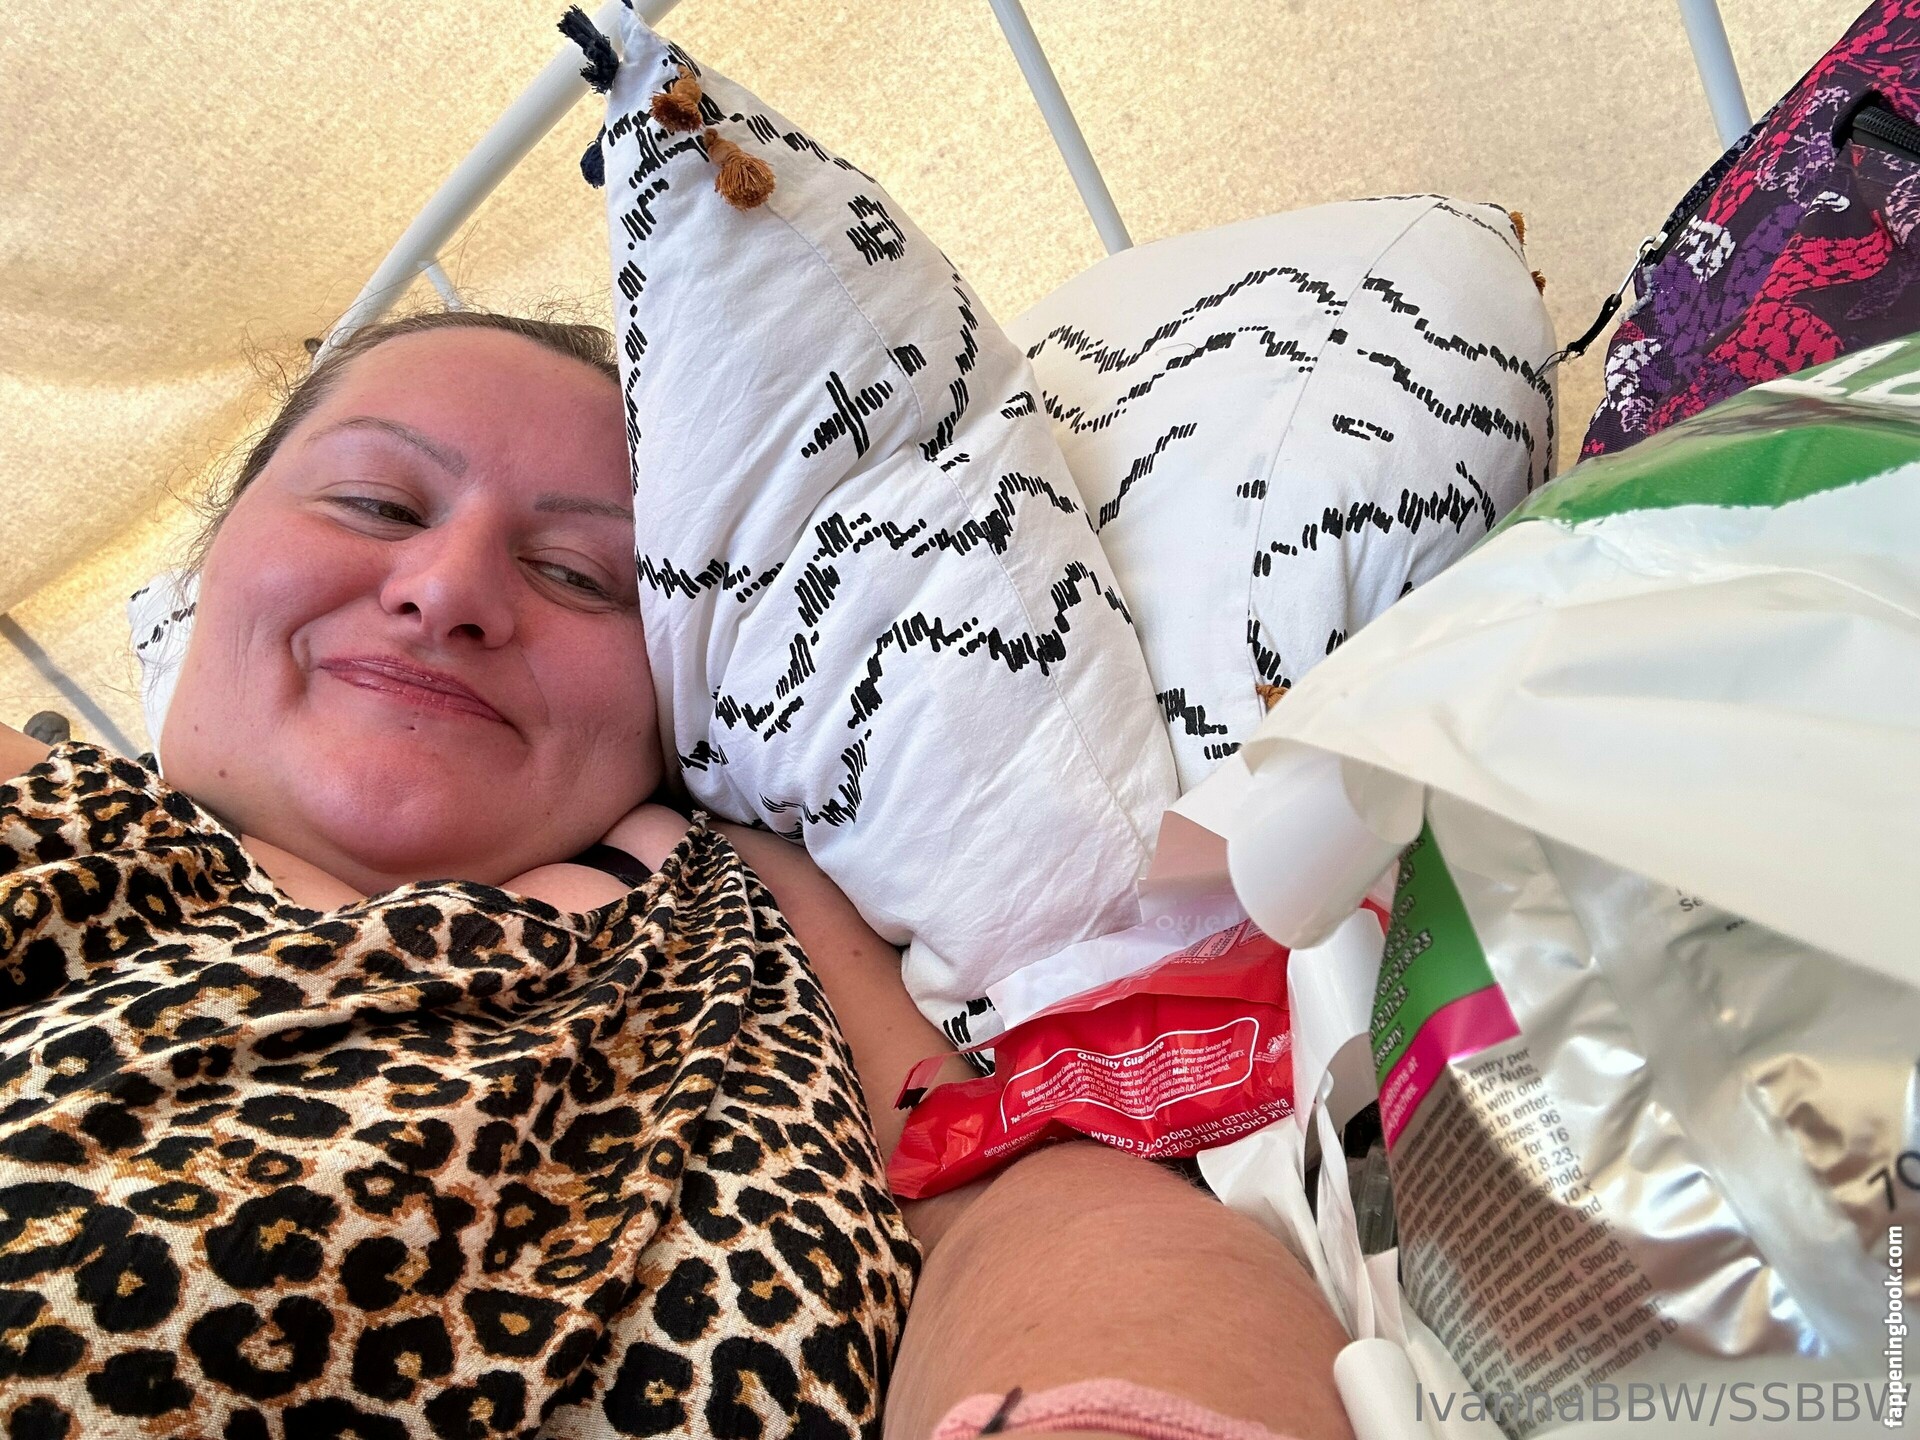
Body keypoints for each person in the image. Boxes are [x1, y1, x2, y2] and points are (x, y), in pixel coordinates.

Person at [0, 310, 1352, 1440]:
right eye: (376, 503)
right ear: (211, 565)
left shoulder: (734, 913)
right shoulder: (48, 811)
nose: (447, 588)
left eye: (576, 575)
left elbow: (1011, 1203)